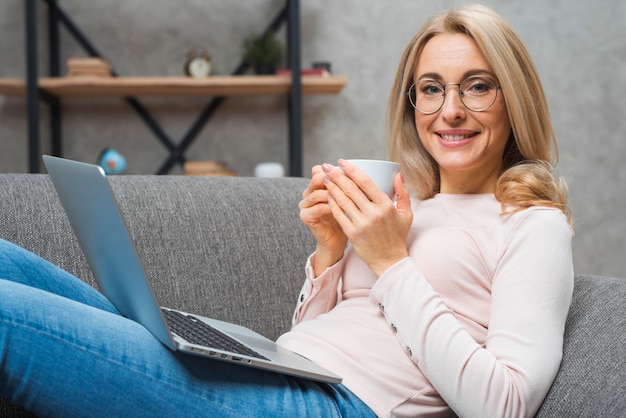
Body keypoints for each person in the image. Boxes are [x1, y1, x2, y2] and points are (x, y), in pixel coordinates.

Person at [0, 4, 573, 417]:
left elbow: (505, 405)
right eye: (430, 89)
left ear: (513, 96)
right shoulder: (405, 203)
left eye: (477, 86)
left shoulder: (531, 224)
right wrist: (329, 256)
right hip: (284, 372)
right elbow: (313, 340)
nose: (449, 110)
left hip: (340, 407)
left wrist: (392, 263)